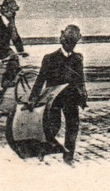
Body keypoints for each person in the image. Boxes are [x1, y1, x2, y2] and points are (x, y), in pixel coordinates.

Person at [23, 24, 87, 164]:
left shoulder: (77, 59)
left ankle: (68, 157)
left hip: (71, 98)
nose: (71, 46)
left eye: (73, 43)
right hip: (54, 99)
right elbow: (40, 80)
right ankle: (42, 149)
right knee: (53, 127)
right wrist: (33, 98)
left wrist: (83, 95)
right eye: (69, 42)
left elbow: (80, 79)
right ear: (63, 42)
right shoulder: (50, 58)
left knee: (73, 127)